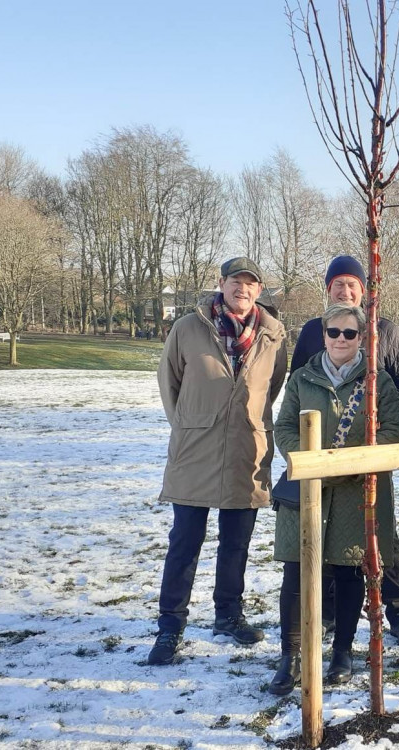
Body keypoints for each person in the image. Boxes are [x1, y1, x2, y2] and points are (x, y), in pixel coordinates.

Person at [148, 257, 287, 666]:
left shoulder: (273, 333)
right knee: (184, 542)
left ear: (258, 290)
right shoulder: (188, 328)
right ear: (221, 284)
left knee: (236, 543)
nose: (241, 289)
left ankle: (228, 614)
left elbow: (272, 387)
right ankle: (170, 626)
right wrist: (190, 425)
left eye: (249, 283)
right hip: (196, 449)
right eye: (234, 282)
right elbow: (168, 380)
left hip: (247, 449)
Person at [268, 303, 399, 694]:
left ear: (362, 338)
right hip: (307, 490)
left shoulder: (379, 383)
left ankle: (342, 651)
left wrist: (347, 466)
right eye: (334, 332)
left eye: (350, 333)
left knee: (348, 573)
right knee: (295, 573)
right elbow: (284, 428)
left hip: (356, 493)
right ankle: (290, 655)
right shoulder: (302, 378)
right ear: (323, 334)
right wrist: (312, 462)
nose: (341, 340)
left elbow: (392, 431)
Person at [288, 254, 399, 648]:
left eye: (352, 285)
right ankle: (330, 613)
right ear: (327, 289)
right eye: (338, 285)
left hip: (370, 452)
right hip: (324, 453)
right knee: (328, 533)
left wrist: (380, 416)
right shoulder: (314, 330)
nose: (345, 291)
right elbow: (299, 381)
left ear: (364, 290)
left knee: (382, 538)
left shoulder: (386, 329)